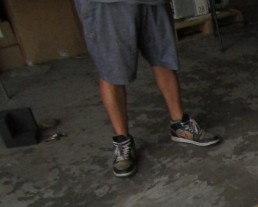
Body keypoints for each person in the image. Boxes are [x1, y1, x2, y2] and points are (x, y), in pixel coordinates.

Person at [74, 0, 220, 177]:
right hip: (107, 5)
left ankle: (179, 125)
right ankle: (122, 141)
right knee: (112, 70)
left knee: (163, 57)